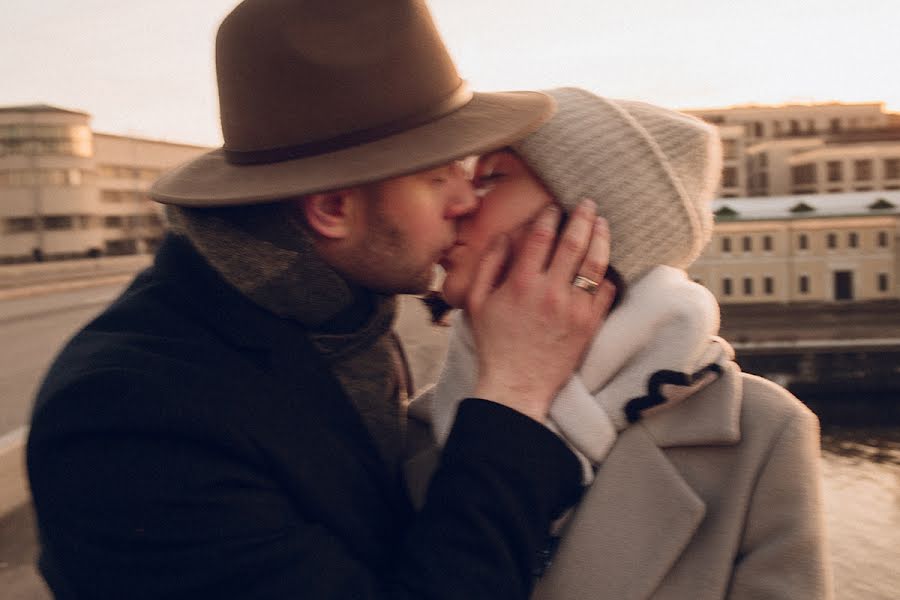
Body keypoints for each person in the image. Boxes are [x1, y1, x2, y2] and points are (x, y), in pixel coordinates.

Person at [25, 4, 617, 599]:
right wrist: (513, 394)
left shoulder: (331, 309)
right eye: (437, 176)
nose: (467, 198)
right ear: (333, 210)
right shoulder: (130, 421)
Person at [410, 88, 833, 599]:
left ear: (593, 223)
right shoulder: (415, 430)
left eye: (492, 179)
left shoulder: (758, 433)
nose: (457, 206)